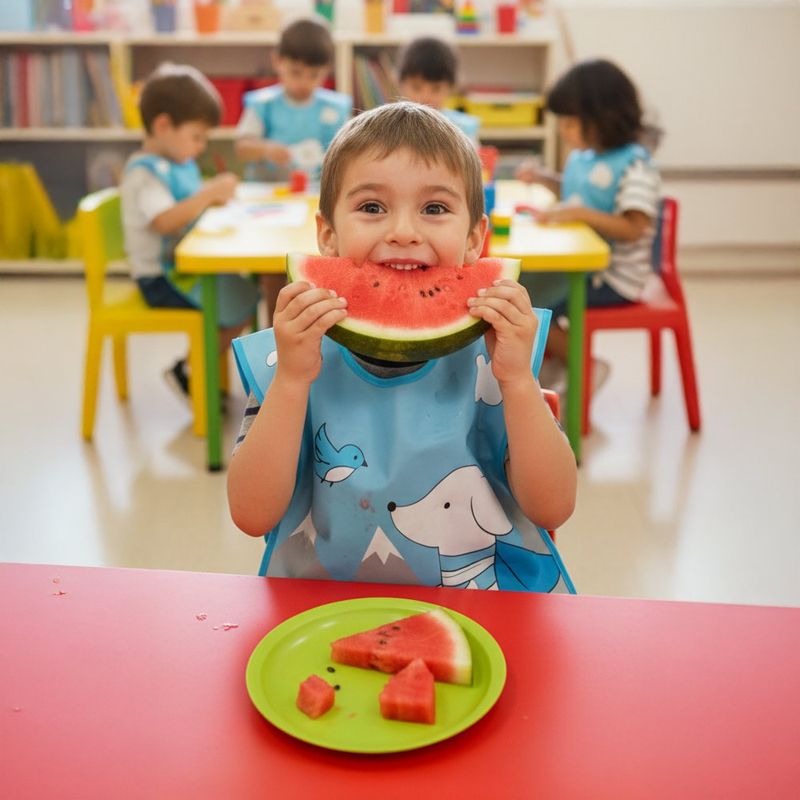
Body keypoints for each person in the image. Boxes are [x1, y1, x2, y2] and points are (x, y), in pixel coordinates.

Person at [227, 102, 577, 593]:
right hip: (325, 606)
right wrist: (289, 381)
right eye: (372, 207)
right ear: (327, 235)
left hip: (479, 602)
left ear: (475, 238)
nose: (404, 233)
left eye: (435, 209)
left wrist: (518, 381)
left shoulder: (498, 355)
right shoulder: (289, 356)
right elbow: (250, 514)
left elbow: (554, 506)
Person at [515, 59, 661, 394]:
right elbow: (577, 190)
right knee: (524, 288)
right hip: (585, 266)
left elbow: (633, 228)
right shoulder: (586, 156)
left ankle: (584, 366)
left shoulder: (635, 165)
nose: (562, 131)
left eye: (570, 123)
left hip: (614, 277)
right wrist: (543, 178)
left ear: (605, 118)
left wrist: (580, 214)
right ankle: (561, 361)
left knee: (530, 303)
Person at [120, 63, 259, 401]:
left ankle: (199, 369)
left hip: (183, 270)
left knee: (246, 294)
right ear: (163, 125)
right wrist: (209, 194)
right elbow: (165, 221)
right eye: (196, 137)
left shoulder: (177, 163)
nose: (200, 146)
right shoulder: (145, 173)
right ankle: (189, 369)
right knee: (242, 305)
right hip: (160, 279)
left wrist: (211, 192)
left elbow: (187, 203)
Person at [234, 17, 352, 324]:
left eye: (314, 75)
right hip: (271, 204)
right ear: (278, 61)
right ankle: (276, 330)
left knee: (320, 262)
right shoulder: (263, 104)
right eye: (296, 72)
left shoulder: (335, 106)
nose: (304, 83)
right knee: (274, 270)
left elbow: (349, 152)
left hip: (316, 201)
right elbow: (242, 146)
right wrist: (266, 149)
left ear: (326, 70)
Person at [397, 37, 480, 143]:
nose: (425, 97)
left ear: (451, 87)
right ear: (401, 84)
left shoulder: (462, 129)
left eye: (436, 89)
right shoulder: (392, 127)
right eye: (416, 87)